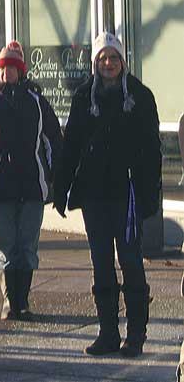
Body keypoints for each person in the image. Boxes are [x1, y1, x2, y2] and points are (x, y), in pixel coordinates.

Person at [54, 32, 161, 358]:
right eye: (103, 58)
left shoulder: (140, 96)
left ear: (122, 62)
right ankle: (108, 333)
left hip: (126, 192)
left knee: (130, 261)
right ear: (96, 63)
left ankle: (136, 335)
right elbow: (70, 145)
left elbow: (153, 150)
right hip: (94, 193)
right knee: (101, 264)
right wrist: (61, 189)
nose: (109, 63)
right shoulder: (84, 97)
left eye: (114, 58)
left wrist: (149, 193)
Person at [0, 40, 62, 323]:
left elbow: (54, 140)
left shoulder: (37, 102)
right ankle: (9, 300)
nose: (7, 73)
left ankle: (23, 300)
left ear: (21, 71)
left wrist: (54, 178)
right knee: (5, 248)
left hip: (32, 187)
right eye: (3, 68)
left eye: (12, 67)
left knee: (27, 247)